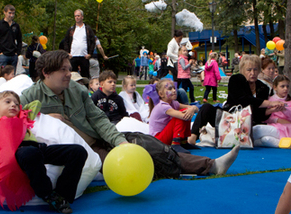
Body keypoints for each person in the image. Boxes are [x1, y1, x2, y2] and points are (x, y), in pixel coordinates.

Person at [20, 50, 239, 176]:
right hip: (81, 151)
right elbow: (13, 125)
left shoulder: (76, 90)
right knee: (130, 163)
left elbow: (98, 119)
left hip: (101, 137)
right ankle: (202, 168)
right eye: (64, 70)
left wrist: (118, 140)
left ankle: (211, 166)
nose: (70, 74)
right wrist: (44, 119)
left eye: (70, 68)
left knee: (149, 145)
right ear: (46, 73)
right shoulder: (29, 97)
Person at [0, 91, 88, 214]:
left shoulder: (23, 119)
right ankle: (47, 194)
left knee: (78, 151)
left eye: (17, 104)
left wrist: (21, 111)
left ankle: (62, 195)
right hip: (19, 152)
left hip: (38, 148)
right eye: (8, 102)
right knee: (30, 153)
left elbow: (36, 104)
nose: (13, 105)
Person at [188, 55, 285, 145]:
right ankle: (193, 137)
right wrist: (270, 103)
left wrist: (273, 109)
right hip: (229, 118)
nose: (252, 73)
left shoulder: (263, 87)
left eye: (255, 70)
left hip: (248, 122)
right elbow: (243, 100)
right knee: (206, 108)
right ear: (242, 70)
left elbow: (260, 114)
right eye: (249, 70)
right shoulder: (236, 79)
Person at [149, 79, 199, 151]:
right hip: (158, 140)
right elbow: (182, 115)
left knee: (186, 112)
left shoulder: (173, 103)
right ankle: (176, 144)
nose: (174, 90)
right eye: (170, 89)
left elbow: (195, 108)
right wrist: (191, 109)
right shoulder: (163, 106)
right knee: (183, 113)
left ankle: (183, 141)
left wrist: (192, 108)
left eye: (174, 88)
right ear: (161, 94)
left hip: (164, 136)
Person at [63, 9, 108, 80]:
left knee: (85, 76)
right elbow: (66, 41)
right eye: (75, 16)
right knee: (72, 76)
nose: (77, 17)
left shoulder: (87, 29)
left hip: (84, 56)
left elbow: (93, 41)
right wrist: (67, 53)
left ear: (82, 17)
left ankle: (85, 90)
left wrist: (90, 53)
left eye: (78, 16)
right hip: (73, 56)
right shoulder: (71, 29)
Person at [0, 5, 22, 70]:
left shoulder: (16, 26)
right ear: (4, 12)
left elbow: (19, 40)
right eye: (9, 13)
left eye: (13, 13)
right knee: (1, 75)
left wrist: (18, 52)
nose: (11, 15)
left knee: (12, 76)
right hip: (3, 54)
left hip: (13, 54)